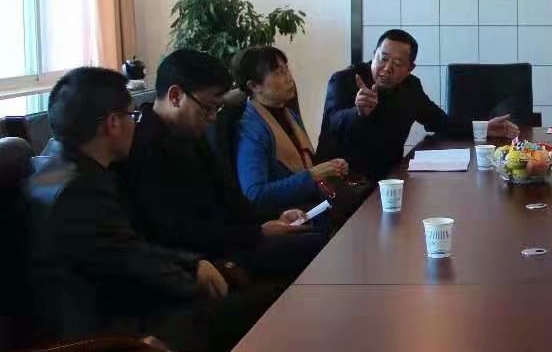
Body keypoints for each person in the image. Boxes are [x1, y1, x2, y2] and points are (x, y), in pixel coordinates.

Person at [23, 68, 262, 352]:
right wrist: (197, 281)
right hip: (98, 348)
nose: (135, 124)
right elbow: (133, 263)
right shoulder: (79, 192)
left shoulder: (52, 165)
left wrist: (193, 263)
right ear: (112, 123)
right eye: (132, 115)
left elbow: (128, 248)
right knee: (255, 310)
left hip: (109, 315)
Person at [121, 49, 325, 282]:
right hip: (200, 257)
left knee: (317, 236)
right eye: (207, 108)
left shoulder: (191, 134)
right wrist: (257, 232)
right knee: (316, 247)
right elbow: (176, 230)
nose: (212, 118)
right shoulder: (144, 147)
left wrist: (274, 216)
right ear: (175, 96)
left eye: (217, 109)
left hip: (228, 239)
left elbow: (229, 196)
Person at [317, 29, 518, 182]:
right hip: (341, 182)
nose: (387, 68)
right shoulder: (344, 80)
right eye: (383, 58)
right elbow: (334, 123)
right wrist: (359, 113)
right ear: (374, 53)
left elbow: (440, 122)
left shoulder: (410, 87)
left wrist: (483, 127)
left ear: (410, 68)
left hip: (388, 179)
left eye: (397, 63)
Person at [236, 46, 347, 210]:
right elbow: (256, 194)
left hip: (310, 205)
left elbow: (306, 163)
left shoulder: (288, 114)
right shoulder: (251, 128)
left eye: (287, 69)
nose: (289, 78)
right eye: (279, 72)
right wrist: (313, 175)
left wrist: (329, 168)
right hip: (284, 216)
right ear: (254, 86)